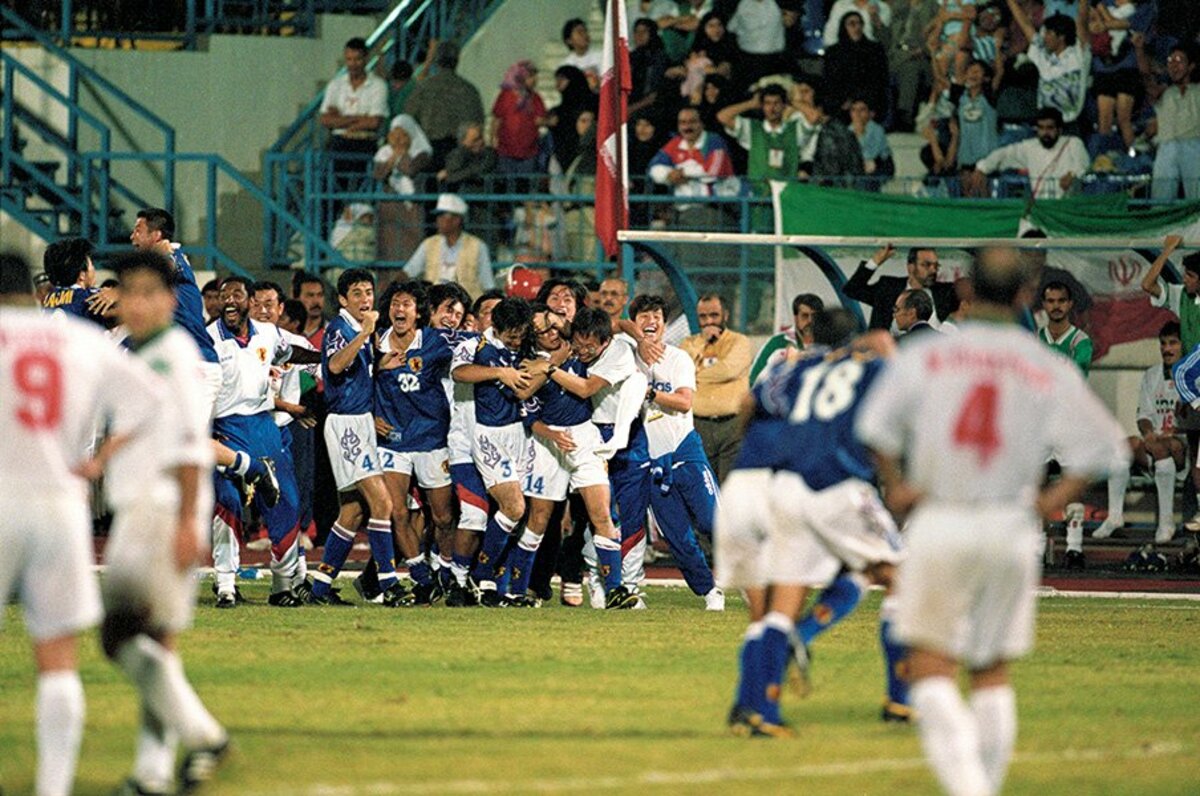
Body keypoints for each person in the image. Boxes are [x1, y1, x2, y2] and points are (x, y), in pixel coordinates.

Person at [856, 246, 1127, 796]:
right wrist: (1047, 503)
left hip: (940, 519)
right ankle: (987, 785)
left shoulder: (928, 356)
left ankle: (968, 789)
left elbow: (874, 428)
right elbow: (1107, 449)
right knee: (991, 671)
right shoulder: (1042, 363)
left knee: (931, 669)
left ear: (965, 290)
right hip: (1009, 524)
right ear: (1026, 295)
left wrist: (897, 484)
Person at [0, 251, 163, 796]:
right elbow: (148, 404)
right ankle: (53, 788)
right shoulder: (79, 340)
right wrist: (98, 458)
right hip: (58, 505)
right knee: (57, 659)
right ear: (34, 292)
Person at [725, 310, 908, 736]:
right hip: (834, 483)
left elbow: (750, 404)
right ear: (854, 338)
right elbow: (899, 394)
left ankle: (754, 709)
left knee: (773, 609)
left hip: (768, 486)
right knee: (901, 574)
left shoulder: (796, 367)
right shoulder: (867, 366)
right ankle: (900, 699)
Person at [103, 251, 230, 794]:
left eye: (148, 292)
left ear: (170, 300)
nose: (136, 303)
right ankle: (159, 766)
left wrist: (186, 522)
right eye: (127, 292)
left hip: (163, 510)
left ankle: (200, 740)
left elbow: (188, 445)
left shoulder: (177, 355)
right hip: (140, 509)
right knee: (144, 641)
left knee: (133, 637)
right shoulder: (140, 354)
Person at [208, 276, 319, 608]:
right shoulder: (207, 338)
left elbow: (291, 352)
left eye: (237, 295)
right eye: (224, 295)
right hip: (225, 427)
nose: (229, 300)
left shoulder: (268, 333)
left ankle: (282, 585)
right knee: (227, 500)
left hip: (263, 426)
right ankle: (226, 583)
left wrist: (322, 358)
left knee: (286, 499)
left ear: (247, 302)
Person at [306, 269, 404, 606]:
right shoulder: (340, 328)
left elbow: (360, 371)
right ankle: (388, 586)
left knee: (353, 511)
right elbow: (334, 366)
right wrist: (363, 335)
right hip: (346, 424)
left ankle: (319, 587)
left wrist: (382, 362)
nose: (365, 299)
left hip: (360, 421)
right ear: (344, 300)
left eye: (369, 292)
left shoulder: (361, 332)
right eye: (357, 293)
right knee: (383, 503)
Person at [515, 305, 618, 607]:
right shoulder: (528, 362)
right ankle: (519, 590)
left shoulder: (582, 349)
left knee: (601, 513)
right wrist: (551, 363)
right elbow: (524, 397)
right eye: (540, 329)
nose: (549, 332)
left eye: (551, 325)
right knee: (540, 518)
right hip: (548, 443)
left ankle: (616, 591)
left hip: (585, 437)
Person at [629, 294, 723, 609]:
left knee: (714, 522)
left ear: (665, 323)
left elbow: (684, 401)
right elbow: (613, 324)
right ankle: (710, 591)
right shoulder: (627, 358)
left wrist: (650, 392)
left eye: (656, 315)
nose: (650, 321)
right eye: (643, 316)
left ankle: (754, 577)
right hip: (652, 462)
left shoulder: (678, 357)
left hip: (686, 451)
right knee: (679, 539)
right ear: (635, 323)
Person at [367, 280, 458, 605]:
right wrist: (370, 414)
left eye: (406, 304)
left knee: (443, 517)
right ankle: (420, 575)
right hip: (392, 441)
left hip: (433, 439)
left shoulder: (435, 342)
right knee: (397, 513)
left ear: (418, 312)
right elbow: (353, 379)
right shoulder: (375, 342)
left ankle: (446, 571)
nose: (399, 309)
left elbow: (472, 352)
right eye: (395, 303)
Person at [450, 297, 538, 606]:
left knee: (516, 515)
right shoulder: (476, 345)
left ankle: (493, 584)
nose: (516, 337)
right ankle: (469, 575)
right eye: (510, 332)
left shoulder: (527, 346)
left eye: (520, 331)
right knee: (508, 509)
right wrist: (501, 373)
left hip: (521, 435)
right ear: (495, 327)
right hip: (486, 436)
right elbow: (459, 372)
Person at [1094, 322, 1184, 544]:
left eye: (1173, 343)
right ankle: (1115, 516)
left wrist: (1171, 432)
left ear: (1184, 346)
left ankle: (1166, 522)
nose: (1167, 349)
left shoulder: (1192, 375)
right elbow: (1143, 414)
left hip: (1183, 447)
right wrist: (1149, 433)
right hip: (1156, 446)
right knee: (1124, 446)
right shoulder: (1152, 374)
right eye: (1163, 344)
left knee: (1166, 446)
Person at [680, 293, 751, 483]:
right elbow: (681, 370)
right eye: (703, 317)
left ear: (725, 315)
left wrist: (695, 375)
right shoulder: (689, 343)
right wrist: (701, 342)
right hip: (698, 425)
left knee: (730, 488)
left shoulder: (739, 342)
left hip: (732, 426)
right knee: (704, 487)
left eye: (714, 315)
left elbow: (728, 370)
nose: (709, 321)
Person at [964, 106, 1090, 199]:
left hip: (1067, 207)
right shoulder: (1030, 147)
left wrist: (1072, 175)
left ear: (1060, 130)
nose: (1045, 133)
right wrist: (982, 168)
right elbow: (1004, 154)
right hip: (1040, 209)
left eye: (1050, 128)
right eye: (1041, 128)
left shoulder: (1073, 143)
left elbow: (1083, 166)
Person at [319, 37, 389, 197]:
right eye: (349, 59)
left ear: (365, 59)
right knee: (330, 192)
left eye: (357, 59)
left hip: (365, 143)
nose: (353, 64)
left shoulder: (378, 85)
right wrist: (358, 119)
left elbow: (374, 122)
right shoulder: (336, 85)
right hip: (339, 143)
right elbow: (324, 119)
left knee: (364, 193)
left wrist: (340, 119)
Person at [1005, 0, 1090, 129]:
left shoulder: (1077, 53)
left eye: (1049, 33)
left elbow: (1082, 20)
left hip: (1070, 123)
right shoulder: (1041, 52)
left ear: (1061, 37)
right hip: (1043, 125)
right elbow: (1025, 24)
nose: (1044, 37)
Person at [403, 42, 485, 170]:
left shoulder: (424, 87)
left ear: (437, 61)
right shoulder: (469, 89)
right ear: (457, 60)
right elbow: (478, 122)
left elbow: (408, 117)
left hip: (429, 149)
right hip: (461, 152)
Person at [843, 244, 956, 331]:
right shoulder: (888, 288)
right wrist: (875, 261)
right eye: (926, 265)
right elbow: (852, 290)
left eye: (936, 266)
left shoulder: (946, 293)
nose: (933, 270)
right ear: (911, 267)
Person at [403, 193, 495, 296]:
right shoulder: (429, 244)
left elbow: (488, 284)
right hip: (435, 307)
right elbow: (409, 271)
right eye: (438, 216)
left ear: (456, 220)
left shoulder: (477, 246)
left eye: (442, 216)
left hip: (466, 307)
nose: (438, 220)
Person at [373, 114, 433, 263]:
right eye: (395, 134)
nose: (398, 139)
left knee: (410, 250)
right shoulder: (384, 153)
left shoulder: (421, 152)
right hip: (389, 208)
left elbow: (411, 169)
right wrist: (394, 156)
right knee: (388, 249)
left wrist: (402, 154)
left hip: (411, 207)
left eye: (403, 134)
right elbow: (379, 174)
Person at [717, 84, 802, 185]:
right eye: (767, 103)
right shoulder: (752, 128)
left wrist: (792, 102)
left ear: (784, 105)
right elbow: (722, 117)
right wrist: (751, 103)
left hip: (787, 193)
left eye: (776, 103)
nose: (772, 108)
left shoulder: (795, 128)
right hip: (758, 194)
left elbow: (814, 117)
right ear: (762, 106)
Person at [1150, 43, 1200, 201]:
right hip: (1166, 146)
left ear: (1191, 66)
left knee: (1197, 198)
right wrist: (1138, 49)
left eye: (1179, 60)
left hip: (1195, 145)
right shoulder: (1164, 93)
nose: (1173, 65)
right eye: (1170, 60)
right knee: (1161, 201)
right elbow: (1145, 74)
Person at [824, 12, 890, 121]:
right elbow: (830, 81)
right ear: (844, 27)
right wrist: (844, 100)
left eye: (860, 23)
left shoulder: (875, 50)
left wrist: (860, 100)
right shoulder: (833, 52)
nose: (857, 27)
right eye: (852, 24)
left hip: (869, 103)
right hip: (842, 104)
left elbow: (880, 81)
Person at [492, 59, 547, 190]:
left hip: (528, 153)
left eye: (535, 76)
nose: (534, 80)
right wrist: (494, 141)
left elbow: (539, 119)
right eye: (530, 76)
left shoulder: (535, 98)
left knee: (525, 190)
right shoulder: (505, 96)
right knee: (506, 189)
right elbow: (497, 119)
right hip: (506, 152)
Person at [748, 292, 822, 384]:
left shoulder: (830, 344)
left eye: (815, 316)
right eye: (805, 316)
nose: (810, 321)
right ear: (796, 318)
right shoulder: (778, 343)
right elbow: (754, 380)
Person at [40, 237, 106, 326]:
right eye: (91, 265)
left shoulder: (48, 298)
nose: (94, 269)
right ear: (82, 275)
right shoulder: (87, 296)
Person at [1037, 281, 1092, 374]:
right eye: (1051, 301)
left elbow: (1077, 377)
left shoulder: (1081, 341)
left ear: (1070, 304)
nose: (1056, 306)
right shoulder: (1034, 338)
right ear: (1044, 304)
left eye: (1061, 301)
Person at [439, 121, 499, 194]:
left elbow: (477, 169)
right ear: (463, 142)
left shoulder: (489, 154)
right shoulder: (458, 153)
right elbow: (452, 166)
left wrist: (451, 176)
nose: (480, 142)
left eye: (481, 138)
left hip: (485, 196)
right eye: (475, 140)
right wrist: (464, 150)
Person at [824, 0, 892, 46]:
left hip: (870, 56)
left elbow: (885, 41)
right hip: (843, 55)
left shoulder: (883, 8)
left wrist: (875, 17)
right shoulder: (841, 5)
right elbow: (830, 35)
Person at [560, 17, 603, 89]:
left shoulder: (601, 56)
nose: (585, 35)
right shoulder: (566, 65)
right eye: (580, 32)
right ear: (569, 40)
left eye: (585, 31)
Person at [294, 273, 329, 348]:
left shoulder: (332, 332)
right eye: (310, 295)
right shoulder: (288, 332)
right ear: (297, 299)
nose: (316, 301)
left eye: (320, 295)